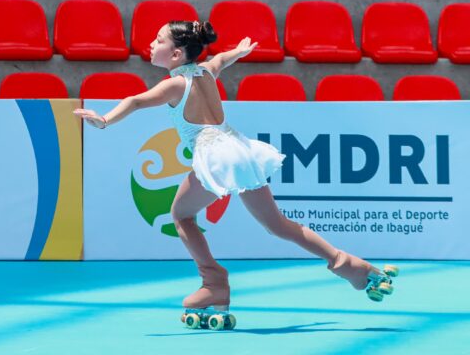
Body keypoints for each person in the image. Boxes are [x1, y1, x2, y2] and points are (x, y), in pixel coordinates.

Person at [74, 20, 397, 321]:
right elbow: (221, 61)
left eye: (158, 40)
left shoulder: (174, 84)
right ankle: (347, 264)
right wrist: (237, 53)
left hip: (216, 154)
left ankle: (213, 281)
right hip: (241, 150)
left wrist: (104, 121)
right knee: (278, 225)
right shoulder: (205, 72)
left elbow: (135, 101)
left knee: (182, 216)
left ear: (175, 53)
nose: (150, 43)